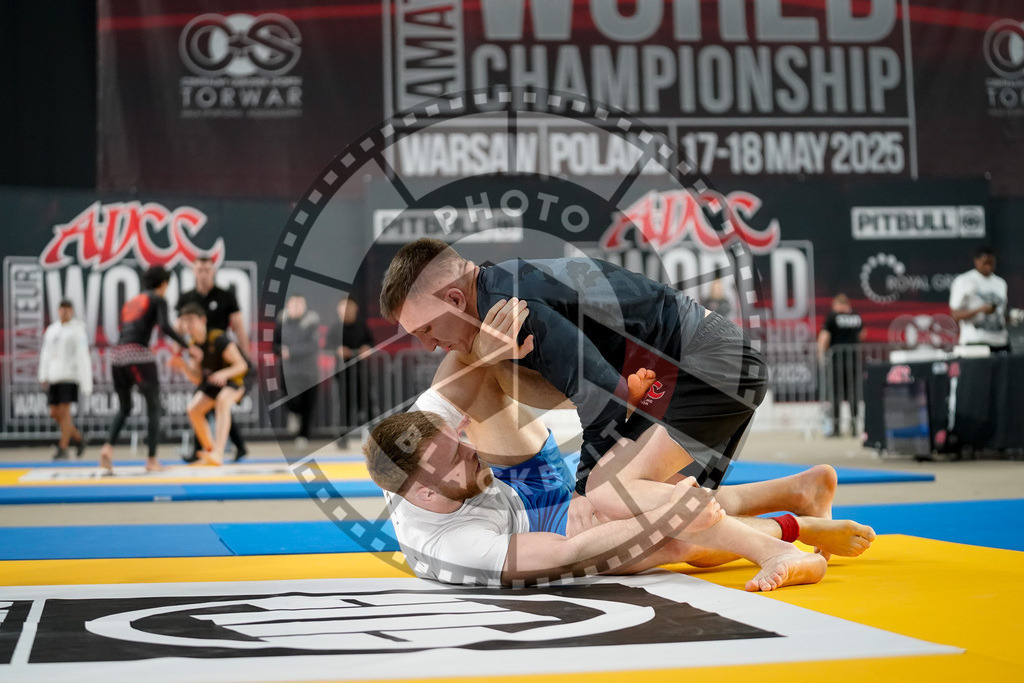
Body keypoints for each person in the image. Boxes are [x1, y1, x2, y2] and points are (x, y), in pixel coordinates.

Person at [364, 298, 873, 588]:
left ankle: (602, 397)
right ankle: (794, 517)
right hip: (534, 528)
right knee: (665, 532)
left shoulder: (421, 439)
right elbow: (570, 552)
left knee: (484, 358)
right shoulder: (452, 548)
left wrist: (496, 346)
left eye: (460, 438)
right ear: (426, 496)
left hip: (523, 483)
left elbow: (460, 370)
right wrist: (654, 519)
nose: (472, 446)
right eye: (460, 456)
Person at [379, 238, 767, 524]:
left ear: (456, 300)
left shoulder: (517, 310)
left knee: (609, 506)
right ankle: (797, 495)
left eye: (427, 329)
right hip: (698, 365)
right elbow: (590, 390)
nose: (428, 345)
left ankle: (786, 540)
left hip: (706, 366)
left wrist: (581, 492)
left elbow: (604, 399)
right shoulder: (502, 290)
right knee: (654, 514)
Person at [100, 266, 194, 473]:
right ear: (164, 284)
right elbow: (165, 326)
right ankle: (152, 459)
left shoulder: (133, 301)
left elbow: (130, 331)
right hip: (138, 355)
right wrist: (189, 347)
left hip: (117, 356)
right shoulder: (158, 299)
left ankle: (108, 447)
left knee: (125, 407)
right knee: (154, 407)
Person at [176, 255, 251, 461]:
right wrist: (181, 361)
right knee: (196, 407)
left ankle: (217, 451)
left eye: (207, 270)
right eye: (199, 270)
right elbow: (196, 378)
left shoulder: (225, 300)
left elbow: (239, 328)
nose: (203, 274)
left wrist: (244, 356)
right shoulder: (187, 303)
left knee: (221, 402)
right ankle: (211, 450)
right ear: (193, 271)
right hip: (207, 360)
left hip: (227, 359)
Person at [38, 299, 92, 460]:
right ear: (58, 310)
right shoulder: (52, 330)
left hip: (70, 376)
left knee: (65, 411)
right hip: (54, 376)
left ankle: (63, 447)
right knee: (54, 413)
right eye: (62, 309)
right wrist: (43, 374)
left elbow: (84, 356)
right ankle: (78, 438)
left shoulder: (77, 330)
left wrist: (86, 382)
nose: (65, 312)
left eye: (68, 309)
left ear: (72, 311)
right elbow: (45, 353)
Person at [273, 293, 321, 448]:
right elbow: (275, 344)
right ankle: (293, 415)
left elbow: (313, 345)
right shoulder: (282, 321)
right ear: (288, 305)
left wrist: (291, 352)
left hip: (308, 372)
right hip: (288, 372)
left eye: (299, 304)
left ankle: (303, 436)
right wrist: (281, 351)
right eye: (293, 304)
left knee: (308, 404)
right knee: (290, 400)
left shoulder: (312, 321)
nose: (296, 308)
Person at [817, 293, 867, 437]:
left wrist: (821, 355)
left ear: (837, 305)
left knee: (835, 395)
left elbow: (825, 336)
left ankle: (836, 428)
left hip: (836, 361)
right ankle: (854, 426)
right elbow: (862, 333)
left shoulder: (833, 317)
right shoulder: (856, 317)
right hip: (853, 361)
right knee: (853, 395)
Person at [325, 298, 374, 437]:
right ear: (338, 310)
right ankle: (342, 438)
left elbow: (371, 342)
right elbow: (327, 347)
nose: (347, 311)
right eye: (344, 307)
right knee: (343, 406)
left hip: (361, 373)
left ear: (356, 309)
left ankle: (373, 436)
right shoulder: (335, 328)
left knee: (366, 404)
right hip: (342, 374)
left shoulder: (361, 326)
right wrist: (338, 350)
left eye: (350, 307)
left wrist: (367, 348)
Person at [949, 246, 1012, 353]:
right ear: (976, 261)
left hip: (1000, 341)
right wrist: (979, 310)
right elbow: (955, 315)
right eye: (985, 263)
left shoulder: (1000, 283)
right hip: (975, 341)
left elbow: (1001, 314)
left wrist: (1012, 317)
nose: (989, 267)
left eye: (992, 263)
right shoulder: (964, 281)